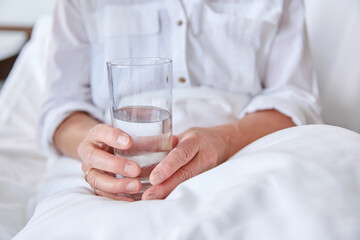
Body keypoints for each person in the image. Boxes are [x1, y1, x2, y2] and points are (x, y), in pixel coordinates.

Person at [39, 0, 321, 201]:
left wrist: (223, 140)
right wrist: (94, 147)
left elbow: (295, 100)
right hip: (118, 172)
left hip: (244, 152)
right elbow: (61, 109)